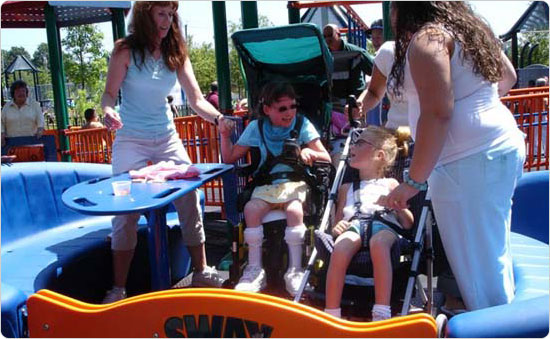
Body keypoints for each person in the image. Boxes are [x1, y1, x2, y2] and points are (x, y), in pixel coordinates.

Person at [383, 2, 525, 312]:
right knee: (493, 257)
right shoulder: (470, 29)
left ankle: (500, 332)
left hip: (467, 164)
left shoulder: (427, 40)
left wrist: (413, 182)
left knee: (479, 274)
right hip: (501, 147)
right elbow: (509, 77)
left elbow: (438, 113)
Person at [101, 1, 234, 303]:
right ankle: (119, 287)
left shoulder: (176, 53)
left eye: (171, 14)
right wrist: (108, 111)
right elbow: (109, 95)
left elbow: (197, 99)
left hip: (166, 136)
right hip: (130, 137)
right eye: (161, 13)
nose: (167, 19)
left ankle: (201, 270)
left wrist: (219, 119)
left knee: (189, 197)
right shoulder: (125, 51)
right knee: (125, 211)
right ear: (145, 15)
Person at [220, 81, 331, 296]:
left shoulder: (302, 124)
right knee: (251, 209)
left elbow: (325, 156)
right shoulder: (257, 127)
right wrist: (225, 136)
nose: (289, 112)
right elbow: (230, 157)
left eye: (292, 106)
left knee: (294, 210)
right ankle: (254, 269)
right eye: (282, 108)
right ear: (267, 109)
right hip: (268, 185)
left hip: (296, 184)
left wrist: (310, 153)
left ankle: (295, 270)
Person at [324, 126, 413, 321]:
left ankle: (381, 311)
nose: (353, 146)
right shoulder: (346, 188)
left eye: (360, 143)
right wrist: (336, 227)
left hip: (384, 226)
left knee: (378, 244)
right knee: (339, 247)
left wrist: (397, 205)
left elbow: (408, 224)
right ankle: (331, 312)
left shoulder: (391, 184)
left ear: (379, 155)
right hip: (355, 224)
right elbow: (339, 219)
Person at [350, 41, 409, 130]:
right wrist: (360, 107)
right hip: (394, 135)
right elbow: (374, 92)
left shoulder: (436, 50)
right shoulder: (388, 51)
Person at [323, 24, 374, 112]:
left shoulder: (356, 53)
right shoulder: (324, 56)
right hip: (334, 107)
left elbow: (376, 72)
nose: (327, 39)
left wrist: (367, 93)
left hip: (354, 105)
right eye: (325, 36)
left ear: (338, 34)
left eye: (330, 35)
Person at [1, 80, 44, 148]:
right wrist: (2, 133)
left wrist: (40, 129)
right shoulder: (6, 107)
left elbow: (40, 121)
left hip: (32, 143)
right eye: (18, 91)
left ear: (26, 93)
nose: (21, 93)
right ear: (13, 94)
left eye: (23, 91)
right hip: (11, 144)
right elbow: (1, 122)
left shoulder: (35, 105)